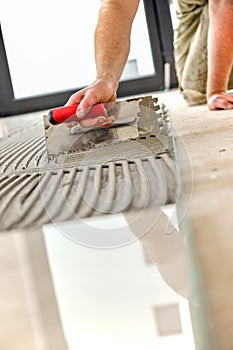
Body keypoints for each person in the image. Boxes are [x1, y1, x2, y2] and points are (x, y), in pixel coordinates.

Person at [65, 0, 233, 128]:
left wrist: (216, 90)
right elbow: (117, 5)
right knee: (194, 89)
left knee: (205, 90)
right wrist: (105, 80)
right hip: (193, 6)